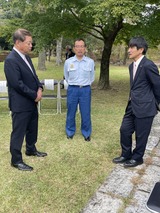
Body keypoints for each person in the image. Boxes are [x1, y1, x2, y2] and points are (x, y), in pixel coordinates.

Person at [113, 37, 160, 168]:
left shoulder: (148, 65)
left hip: (145, 108)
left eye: (132, 48)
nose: (129, 50)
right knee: (124, 130)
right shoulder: (131, 66)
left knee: (141, 135)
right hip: (132, 105)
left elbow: (158, 86)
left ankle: (137, 158)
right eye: (129, 47)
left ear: (141, 50)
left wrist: (154, 104)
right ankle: (125, 154)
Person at [4, 28, 47, 171]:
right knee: (18, 132)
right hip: (20, 104)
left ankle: (30, 149)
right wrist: (34, 95)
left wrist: (39, 87)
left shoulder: (26, 57)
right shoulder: (11, 60)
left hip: (31, 102)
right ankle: (16, 160)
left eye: (31, 43)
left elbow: (33, 77)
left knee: (32, 128)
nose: (31, 46)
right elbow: (17, 84)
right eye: (28, 43)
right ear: (18, 42)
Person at [64, 39, 95, 141]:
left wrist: (84, 85)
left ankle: (86, 133)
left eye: (82, 46)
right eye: (77, 46)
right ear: (74, 48)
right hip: (72, 89)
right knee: (71, 111)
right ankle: (70, 131)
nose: (80, 49)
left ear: (85, 48)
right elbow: (66, 76)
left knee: (85, 112)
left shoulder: (90, 62)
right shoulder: (68, 62)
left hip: (85, 90)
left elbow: (92, 78)